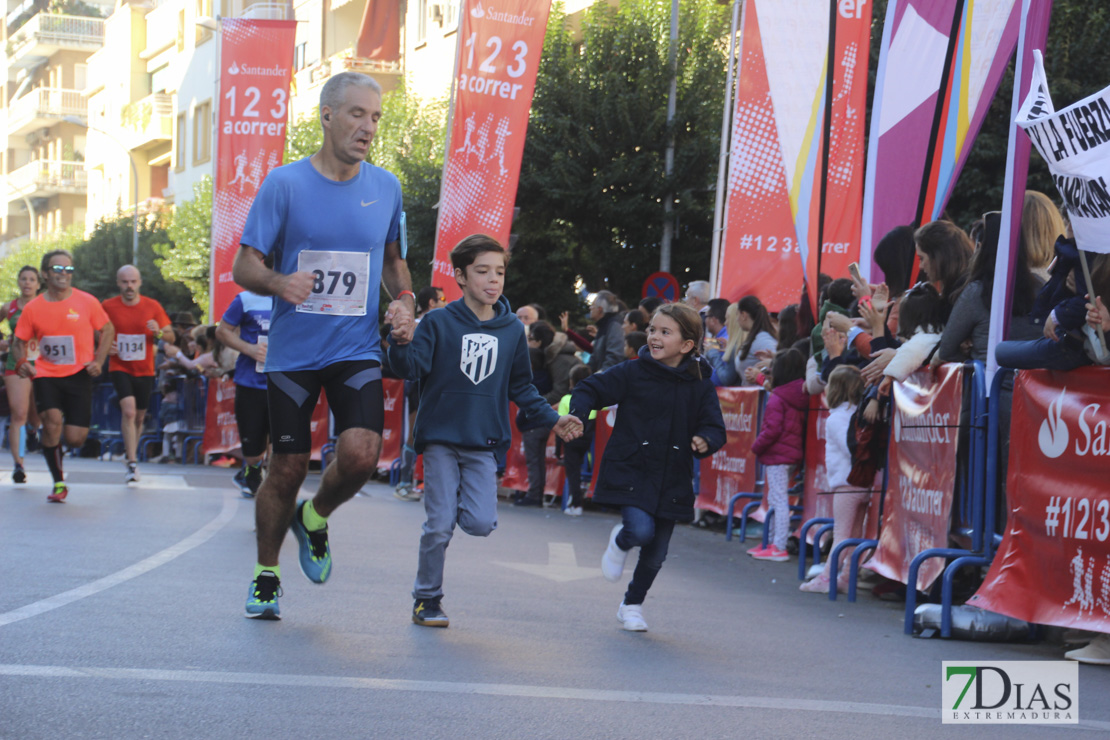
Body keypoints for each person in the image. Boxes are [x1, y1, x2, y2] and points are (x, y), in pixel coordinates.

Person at [234, 71, 417, 620]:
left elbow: (391, 260)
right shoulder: (284, 184)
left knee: (362, 455)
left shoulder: (386, 186)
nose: (368, 127)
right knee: (286, 468)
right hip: (293, 353)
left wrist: (405, 299)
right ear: (327, 115)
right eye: (358, 114)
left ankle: (315, 517)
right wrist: (277, 282)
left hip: (355, 345)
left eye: (376, 117)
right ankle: (267, 574)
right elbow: (245, 264)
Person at [387, 235, 582, 628]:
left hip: (483, 442)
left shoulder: (512, 329)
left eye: (500, 272)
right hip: (441, 438)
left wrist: (553, 419)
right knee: (439, 525)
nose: (493, 280)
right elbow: (409, 369)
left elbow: (522, 387)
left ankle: (454, 501)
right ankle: (427, 599)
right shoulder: (438, 322)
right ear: (459, 276)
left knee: (479, 523)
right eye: (482, 272)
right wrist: (399, 341)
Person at [572, 303, 725, 632]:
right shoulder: (632, 372)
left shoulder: (699, 384)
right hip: (633, 467)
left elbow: (715, 427)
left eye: (664, 332)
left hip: (673, 476)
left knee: (656, 553)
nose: (654, 337)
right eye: (653, 329)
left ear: (686, 345)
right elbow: (590, 388)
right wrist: (579, 414)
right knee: (640, 531)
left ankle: (631, 605)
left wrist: (705, 440)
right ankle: (621, 540)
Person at [11, 250, 114, 503]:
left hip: (79, 374)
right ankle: (59, 482)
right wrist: (22, 362)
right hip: (46, 373)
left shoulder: (87, 301)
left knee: (75, 439)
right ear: (45, 274)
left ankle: (56, 449)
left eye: (68, 270)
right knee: (52, 421)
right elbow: (18, 342)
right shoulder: (33, 308)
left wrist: (99, 361)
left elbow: (108, 329)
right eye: (58, 270)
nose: (64, 275)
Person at [100, 265, 174, 483]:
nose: (129, 286)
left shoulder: (152, 306)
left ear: (139, 282)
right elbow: (96, 330)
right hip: (119, 366)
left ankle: (129, 453)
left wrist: (158, 332)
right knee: (129, 411)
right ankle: (132, 462)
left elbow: (170, 337)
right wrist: (105, 347)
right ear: (118, 283)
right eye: (125, 282)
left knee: (140, 416)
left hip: (145, 369)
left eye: (133, 281)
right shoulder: (108, 306)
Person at [800, 364, 867, 594]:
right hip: (865, 483)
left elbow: (850, 449)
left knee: (841, 534)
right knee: (856, 534)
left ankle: (827, 578)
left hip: (847, 483)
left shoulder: (836, 418)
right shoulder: (860, 414)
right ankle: (847, 578)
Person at [748, 348, 808, 562]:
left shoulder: (778, 398)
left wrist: (756, 446)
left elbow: (771, 430)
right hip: (790, 454)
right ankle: (772, 542)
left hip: (776, 455)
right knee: (777, 499)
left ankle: (778, 545)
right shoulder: (799, 395)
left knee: (778, 500)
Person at [216, 289, 272, 497]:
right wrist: (249, 349)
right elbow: (222, 331)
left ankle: (271, 499)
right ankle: (253, 468)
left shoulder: (296, 297)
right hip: (251, 384)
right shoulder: (246, 299)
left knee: (283, 451)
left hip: (285, 384)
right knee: (253, 453)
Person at [1, 266, 42, 483]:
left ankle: (34, 431)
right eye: (23, 279)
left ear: (38, 284)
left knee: (36, 412)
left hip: (43, 363)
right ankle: (18, 465)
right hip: (15, 363)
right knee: (18, 413)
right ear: (18, 282)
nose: (27, 283)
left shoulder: (46, 305)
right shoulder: (8, 308)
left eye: (31, 279)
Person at [558, 364, 595, 517]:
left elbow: (559, 424)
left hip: (571, 439)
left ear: (572, 381)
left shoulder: (566, 399)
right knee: (585, 470)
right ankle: (580, 501)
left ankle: (576, 504)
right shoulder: (595, 400)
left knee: (573, 473)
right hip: (589, 439)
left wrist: (557, 450)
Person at [734, 295, 777, 385]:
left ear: (743, 315)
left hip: (763, 396)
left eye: (737, 315)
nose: (737, 319)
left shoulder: (762, 339)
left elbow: (779, 365)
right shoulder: (757, 337)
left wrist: (760, 375)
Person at [587, 290, 626, 373]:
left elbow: (614, 357)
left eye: (592, 306)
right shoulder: (604, 326)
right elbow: (595, 358)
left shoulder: (614, 326)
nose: (590, 308)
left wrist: (599, 376)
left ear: (600, 309)